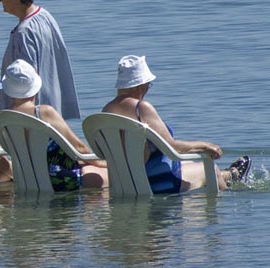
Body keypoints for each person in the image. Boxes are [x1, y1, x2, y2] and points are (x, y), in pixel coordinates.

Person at [101, 55, 250, 193]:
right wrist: (205, 146)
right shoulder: (141, 108)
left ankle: (230, 175)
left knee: (189, 163)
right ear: (140, 86)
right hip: (155, 183)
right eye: (148, 85)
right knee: (211, 168)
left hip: (123, 185)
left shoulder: (105, 112)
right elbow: (171, 147)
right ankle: (227, 208)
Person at [1, 59, 108, 191]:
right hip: (58, 179)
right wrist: (101, 162)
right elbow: (79, 148)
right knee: (109, 174)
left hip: (26, 179)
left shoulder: (3, 117)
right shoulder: (44, 113)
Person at [0, 0, 81, 119]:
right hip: (52, 104)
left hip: (32, 115)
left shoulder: (23, 32)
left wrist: (19, 115)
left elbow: (25, 79)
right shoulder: (45, 16)